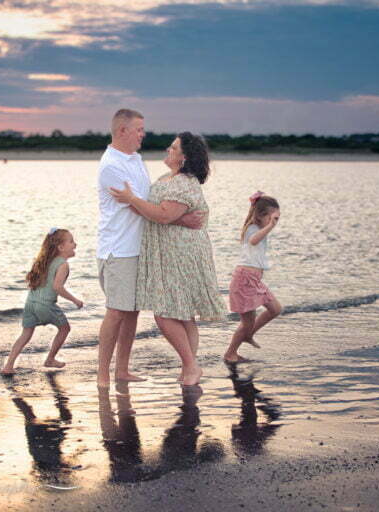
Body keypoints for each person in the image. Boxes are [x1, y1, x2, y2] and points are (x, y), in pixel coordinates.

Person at [96, 109, 202, 388]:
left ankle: (122, 370)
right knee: (116, 311)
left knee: (130, 312)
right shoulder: (111, 166)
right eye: (139, 129)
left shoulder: (135, 160)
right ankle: (102, 373)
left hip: (138, 248)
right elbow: (141, 206)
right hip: (118, 249)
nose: (144, 134)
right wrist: (180, 217)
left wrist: (175, 214)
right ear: (122, 131)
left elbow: (150, 202)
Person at [110, 132, 226, 386]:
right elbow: (161, 212)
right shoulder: (168, 179)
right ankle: (189, 369)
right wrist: (133, 201)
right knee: (183, 314)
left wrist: (132, 199)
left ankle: (191, 366)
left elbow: (163, 216)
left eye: (173, 148)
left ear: (184, 158)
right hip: (170, 252)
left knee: (165, 313)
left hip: (179, 254)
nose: (167, 150)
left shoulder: (183, 183)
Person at [1, 228, 83, 375]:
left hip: (30, 303)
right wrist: (75, 300)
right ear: (61, 247)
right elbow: (57, 287)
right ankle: (50, 359)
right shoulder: (63, 264)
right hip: (45, 305)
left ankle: (8, 366)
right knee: (65, 329)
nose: (75, 244)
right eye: (71, 241)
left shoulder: (44, 261)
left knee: (25, 334)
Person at [223, 192, 283, 363]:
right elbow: (253, 241)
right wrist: (270, 226)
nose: (275, 222)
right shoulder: (252, 228)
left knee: (275, 309)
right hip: (244, 279)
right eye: (273, 218)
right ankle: (230, 353)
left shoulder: (260, 229)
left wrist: (269, 225)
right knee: (247, 322)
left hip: (254, 280)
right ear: (261, 215)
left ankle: (248, 335)